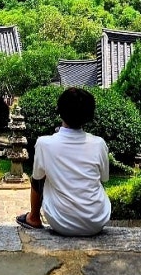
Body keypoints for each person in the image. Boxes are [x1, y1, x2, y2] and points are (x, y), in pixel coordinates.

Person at [16, 87, 111, 236]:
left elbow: (37, 179)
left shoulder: (44, 143)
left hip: (61, 222)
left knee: (40, 177)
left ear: (60, 111)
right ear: (89, 115)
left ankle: (33, 217)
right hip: (97, 221)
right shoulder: (99, 144)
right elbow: (104, 178)